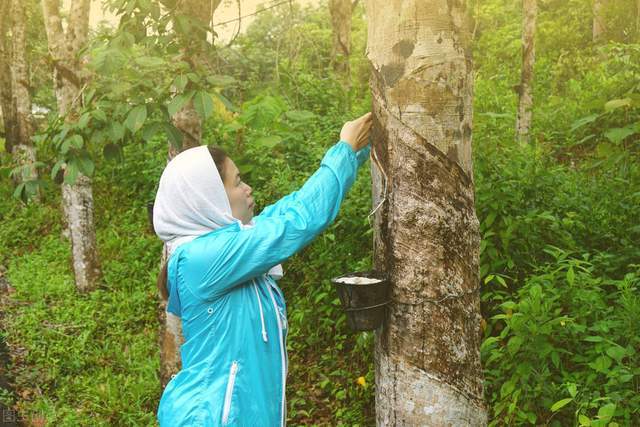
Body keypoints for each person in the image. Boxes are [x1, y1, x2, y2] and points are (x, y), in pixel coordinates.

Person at [153, 112, 373, 426]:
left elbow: (289, 208)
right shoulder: (202, 257)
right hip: (210, 416)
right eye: (237, 182)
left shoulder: (229, 246)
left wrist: (357, 149)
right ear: (208, 198)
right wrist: (343, 149)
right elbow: (296, 222)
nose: (248, 189)